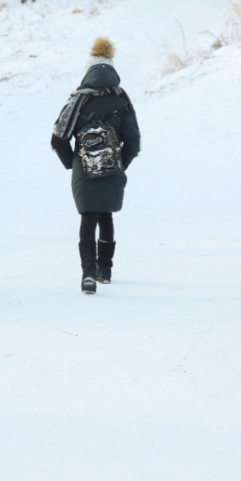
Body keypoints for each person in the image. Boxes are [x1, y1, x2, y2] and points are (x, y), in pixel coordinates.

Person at [51, 39, 141, 294]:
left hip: (84, 168)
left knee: (88, 217)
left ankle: (88, 275)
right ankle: (106, 271)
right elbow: (133, 141)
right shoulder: (121, 100)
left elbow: (58, 139)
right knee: (107, 215)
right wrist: (119, 164)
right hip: (113, 166)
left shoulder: (78, 100)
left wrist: (74, 162)